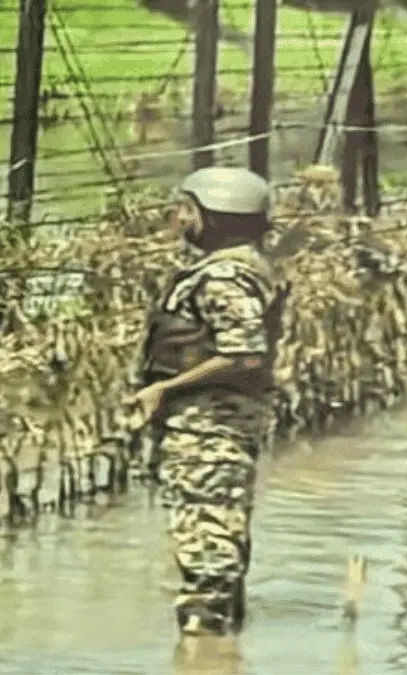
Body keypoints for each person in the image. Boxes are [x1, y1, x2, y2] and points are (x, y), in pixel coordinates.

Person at [127, 166, 288, 637]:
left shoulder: (223, 277)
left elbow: (243, 352)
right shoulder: (236, 268)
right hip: (218, 422)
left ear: (209, 218)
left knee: (208, 548)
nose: (179, 219)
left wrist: (165, 389)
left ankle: (204, 654)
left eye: (187, 210)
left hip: (210, 426)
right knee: (220, 537)